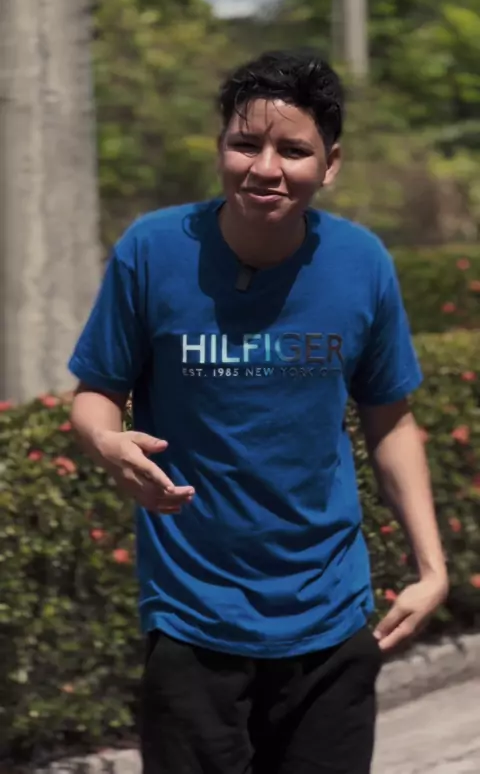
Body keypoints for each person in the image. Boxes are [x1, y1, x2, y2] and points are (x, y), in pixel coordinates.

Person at [68, 49, 448, 774]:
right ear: (221, 148)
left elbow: (391, 419)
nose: (265, 168)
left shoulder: (362, 262)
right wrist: (105, 441)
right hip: (192, 616)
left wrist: (432, 568)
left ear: (330, 164)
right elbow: (96, 390)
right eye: (246, 144)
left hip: (330, 619)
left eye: (293, 150)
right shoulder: (152, 251)